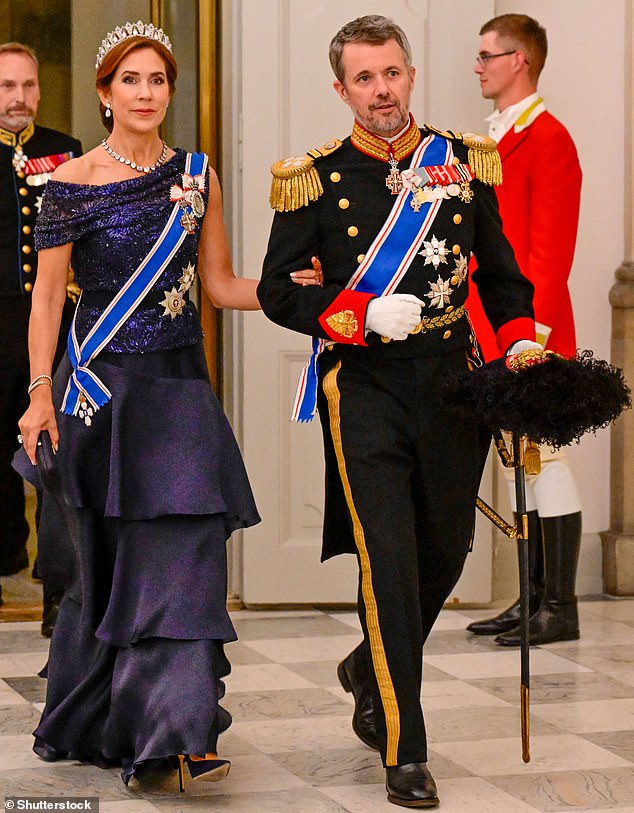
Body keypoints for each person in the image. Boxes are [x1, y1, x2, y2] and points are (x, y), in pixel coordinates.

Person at [12, 20, 320, 791]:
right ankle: (121, 723)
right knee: (113, 572)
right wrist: (40, 389)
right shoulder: (71, 184)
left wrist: (297, 292)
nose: (145, 94)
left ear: (170, 92)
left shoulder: (197, 174)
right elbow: (47, 298)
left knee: (184, 561)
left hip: (180, 393)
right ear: (104, 93)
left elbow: (219, 285)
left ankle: (177, 732)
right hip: (103, 395)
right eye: (131, 81)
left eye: (158, 81)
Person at [258, 14, 538, 809]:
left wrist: (518, 346)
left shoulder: (463, 162)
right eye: (364, 79)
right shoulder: (312, 177)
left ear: (410, 74)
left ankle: (363, 666)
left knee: (444, 553)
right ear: (341, 88)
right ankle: (404, 746)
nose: (381, 91)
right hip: (368, 388)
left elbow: (503, 277)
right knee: (388, 562)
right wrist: (354, 313)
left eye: (392, 73)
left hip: (454, 383)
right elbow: (279, 290)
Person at [465, 13, 583, 647]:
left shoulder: (549, 138)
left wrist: (527, 338)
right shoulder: (496, 137)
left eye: (488, 56)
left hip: (531, 333)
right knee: (520, 464)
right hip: (497, 329)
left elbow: (549, 250)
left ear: (522, 62)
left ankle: (559, 607)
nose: (478, 66)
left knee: (547, 463)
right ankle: (530, 597)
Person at [0, 41, 81, 635]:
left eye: (28, 86)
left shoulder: (64, 151)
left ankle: (59, 592)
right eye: (7, 87)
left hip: (49, 321)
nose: (20, 98)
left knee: (51, 456)